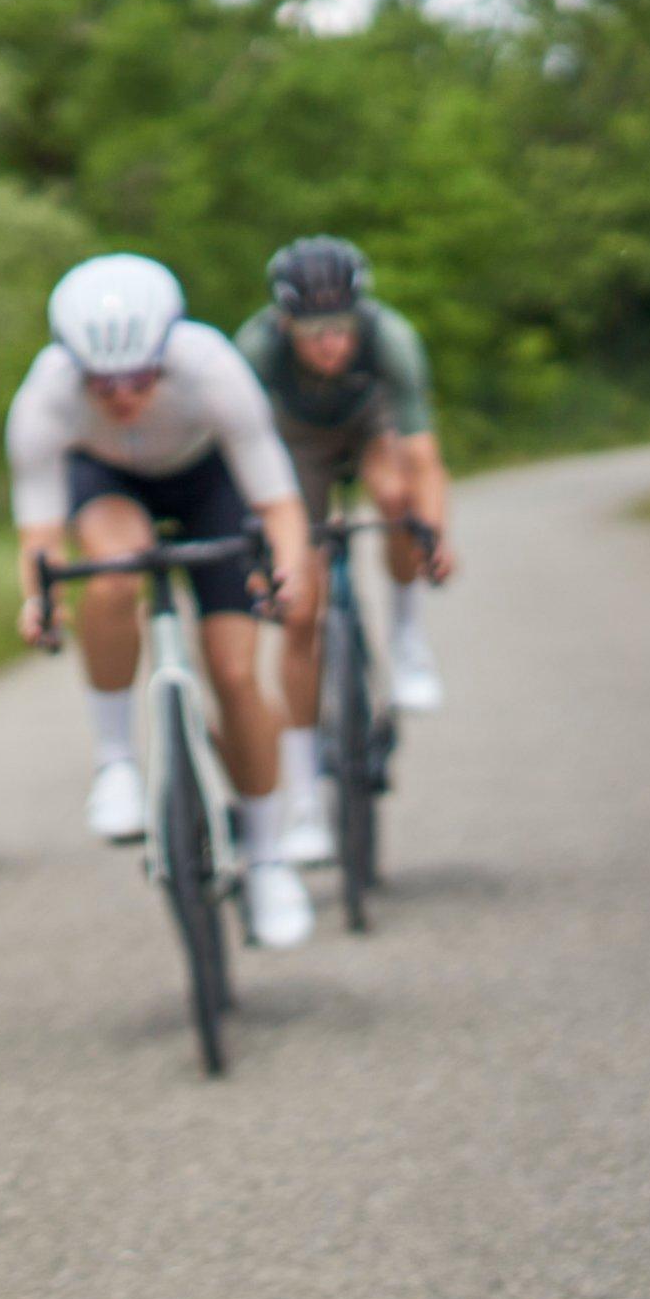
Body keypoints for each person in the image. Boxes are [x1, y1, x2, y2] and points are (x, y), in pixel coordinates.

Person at [8, 253, 316, 952]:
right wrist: (39, 600)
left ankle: (268, 859)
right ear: (72, 365)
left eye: (139, 378)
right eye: (101, 383)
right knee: (114, 571)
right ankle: (115, 762)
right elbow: (39, 532)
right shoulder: (45, 394)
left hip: (209, 481)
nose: (121, 397)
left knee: (236, 675)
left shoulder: (211, 367)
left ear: (164, 353)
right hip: (108, 480)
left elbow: (275, 499)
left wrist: (290, 570)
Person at [236, 239, 461, 871]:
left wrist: (433, 533)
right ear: (285, 324)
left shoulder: (391, 338)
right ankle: (304, 797)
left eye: (341, 328)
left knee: (396, 495)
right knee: (300, 610)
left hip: (369, 428)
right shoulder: (253, 353)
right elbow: (241, 464)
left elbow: (423, 456)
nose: (330, 344)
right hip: (293, 448)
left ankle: (408, 639)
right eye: (313, 332)